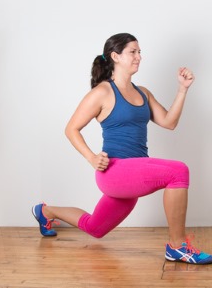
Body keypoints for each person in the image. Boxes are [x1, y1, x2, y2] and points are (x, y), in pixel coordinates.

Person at [32, 33, 212, 264]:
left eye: (139, 52)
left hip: (133, 174)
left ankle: (46, 211)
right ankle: (177, 247)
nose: (139, 57)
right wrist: (91, 157)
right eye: (133, 52)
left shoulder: (143, 93)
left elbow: (169, 122)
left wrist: (182, 90)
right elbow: (71, 129)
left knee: (95, 228)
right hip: (114, 171)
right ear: (115, 56)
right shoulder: (102, 92)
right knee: (178, 171)